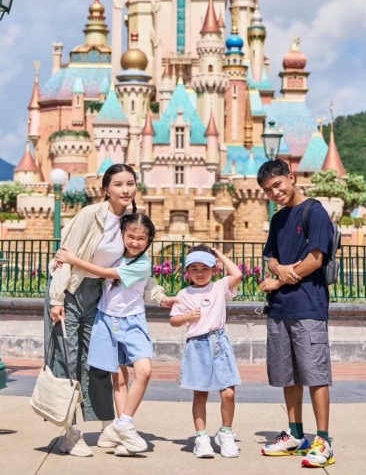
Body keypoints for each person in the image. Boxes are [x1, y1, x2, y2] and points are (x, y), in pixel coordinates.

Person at [46, 164, 172, 457]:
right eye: (118, 184)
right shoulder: (92, 215)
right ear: (106, 189)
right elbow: (66, 255)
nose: (125, 190)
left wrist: (160, 296)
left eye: (130, 183)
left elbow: (137, 271)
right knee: (69, 362)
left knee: (100, 366)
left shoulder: (133, 223)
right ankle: (69, 432)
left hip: (101, 298)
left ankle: (107, 429)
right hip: (72, 290)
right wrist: (56, 298)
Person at [55, 212, 159, 456]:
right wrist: (63, 262)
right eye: (130, 236)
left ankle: (125, 422)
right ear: (122, 235)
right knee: (118, 379)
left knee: (144, 370)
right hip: (106, 320)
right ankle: (120, 433)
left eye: (140, 238)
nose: (134, 242)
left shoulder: (141, 264)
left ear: (149, 240)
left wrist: (73, 259)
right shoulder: (115, 256)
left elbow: (106, 274)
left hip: (132, 323)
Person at [257, 158, 336, 468]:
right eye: (268, 190)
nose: (275, 192)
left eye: (278, 185)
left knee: (315, 374)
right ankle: (295, 435)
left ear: (291, 177)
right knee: (288, 373)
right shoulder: (278, 219)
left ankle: (323, 440)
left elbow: (316, 259)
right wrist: (279, 269)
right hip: (280, 307)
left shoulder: (314, 211)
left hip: (308, 305)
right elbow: (271, 257)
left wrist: (281, 277)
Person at [170, 244, 243, 459]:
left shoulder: (219, 287)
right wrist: (187, 317)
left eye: (205, 268)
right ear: (187, 272)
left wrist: (219, 254)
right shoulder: (184, 293)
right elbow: (174, 320)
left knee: (228, 392)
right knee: (200, 393)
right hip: (197, 345)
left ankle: (226, 433)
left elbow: (237, 274)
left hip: (219, 342)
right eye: (194, 269)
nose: (200, 273)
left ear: (214, 269)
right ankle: (201, 437)